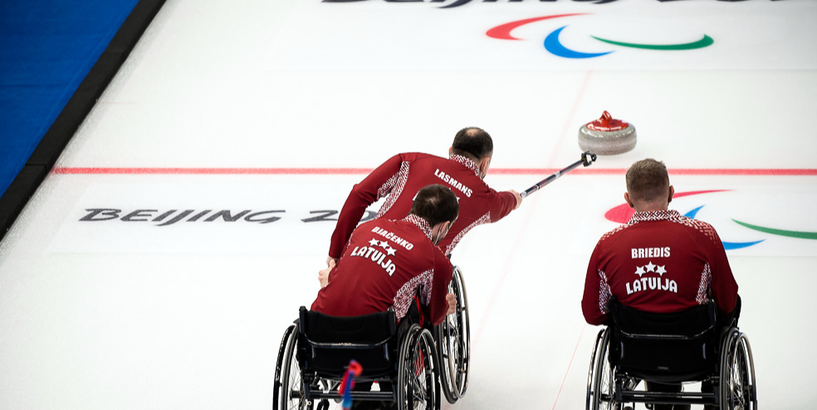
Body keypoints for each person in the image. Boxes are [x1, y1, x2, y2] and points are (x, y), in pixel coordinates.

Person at [581, 158, 740, 410]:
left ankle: (665, 400)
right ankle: (714, 389)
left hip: (634, 355)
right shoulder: (703, 234)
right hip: (694, 353)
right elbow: (727, 301)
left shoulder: (607, 244)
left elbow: (593, 313)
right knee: (729, 305)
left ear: (628, 199)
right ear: (671, 193)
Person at [323, 126, 522, 279]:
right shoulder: (486, 198)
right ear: (485, 163)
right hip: (412, 270)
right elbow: (503, 204)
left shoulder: (410, 161)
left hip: (365, 248)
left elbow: (360, 194)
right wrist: (514, 198)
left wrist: (337, 251)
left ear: (451, 150)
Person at [312, 184, 459, 327]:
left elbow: (344, 275)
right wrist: (445, 307)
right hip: (373, 334)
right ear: (444, 227)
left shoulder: (366, 228)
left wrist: (331, 276)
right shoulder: (437, 260)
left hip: (320, 322)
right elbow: (434, 316)